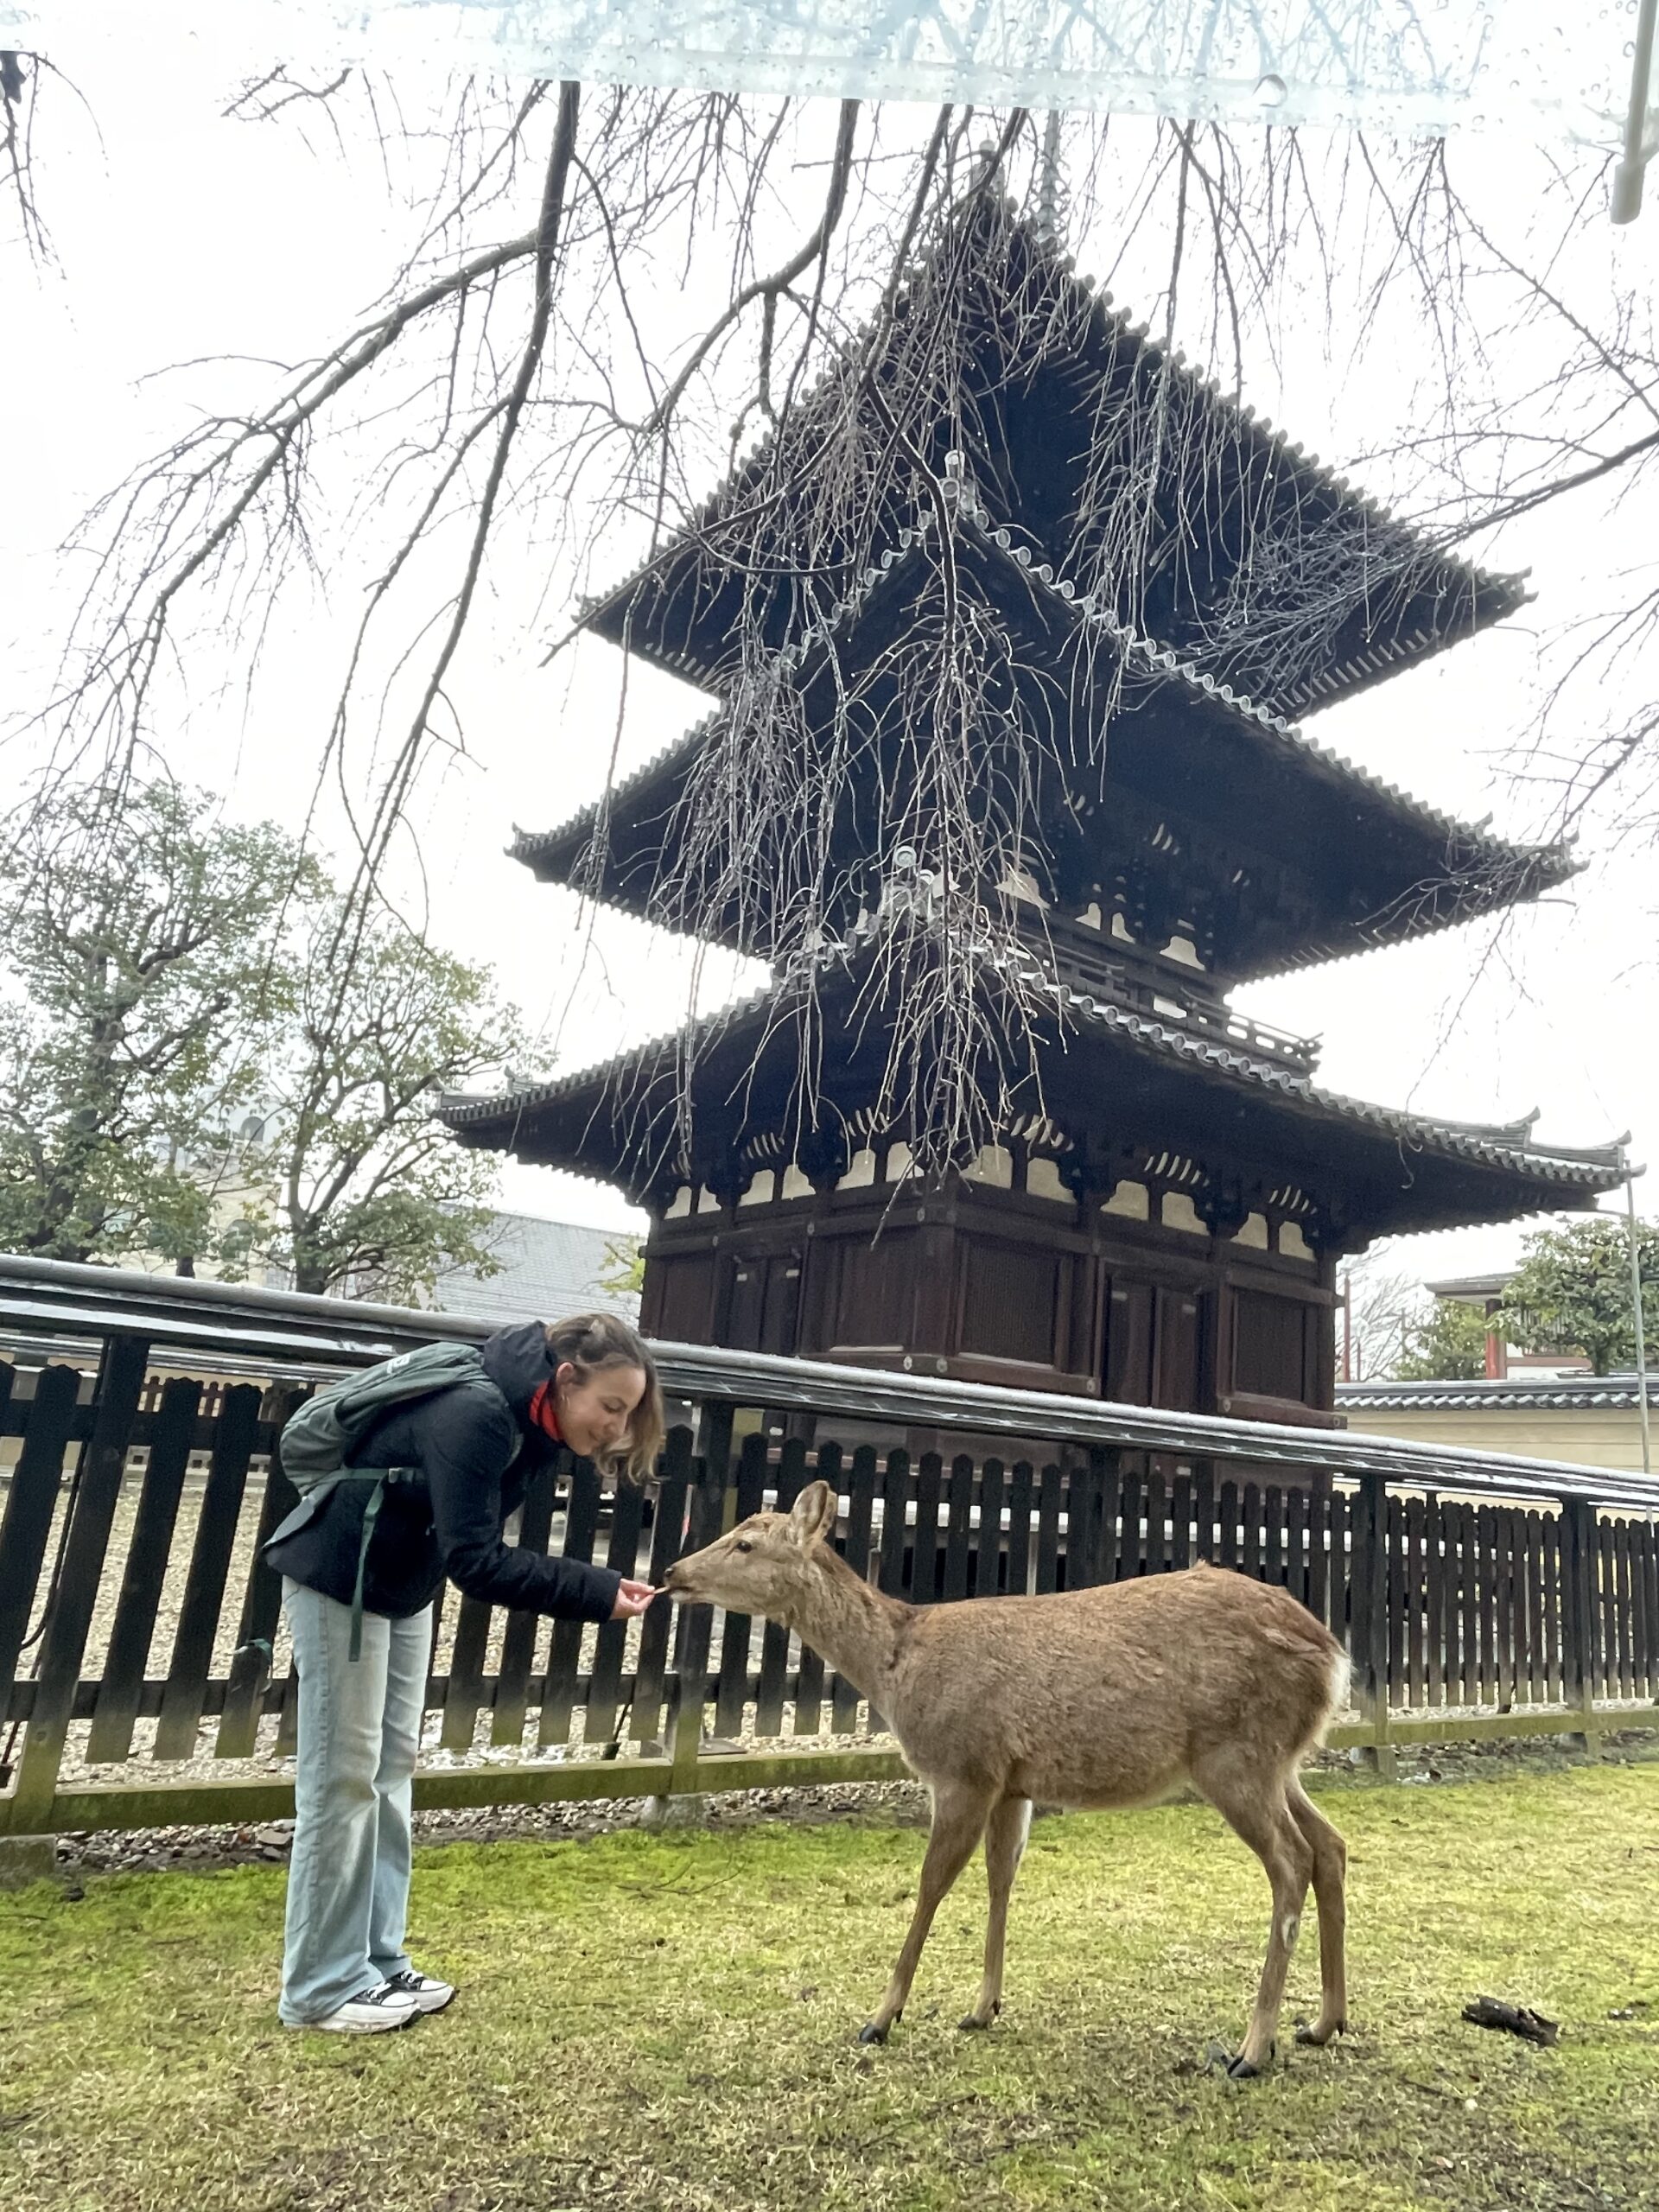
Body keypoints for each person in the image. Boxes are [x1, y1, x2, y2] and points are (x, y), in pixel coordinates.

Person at [266, 1312, 664, 2034]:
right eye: (612, 1406)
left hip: (401, 1584)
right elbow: (476, 1560)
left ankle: (378, 1963)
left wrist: (596, 1587)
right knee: (343, 1777)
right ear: (567, 1378)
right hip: (340, 1578)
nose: (617, 1427)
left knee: (389, 1772)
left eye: (628, 1414)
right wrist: (596, 1591)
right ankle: (320, 1987)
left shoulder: (538, 1427)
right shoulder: (477, 1410)